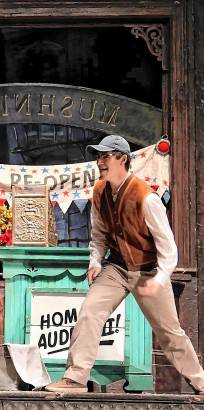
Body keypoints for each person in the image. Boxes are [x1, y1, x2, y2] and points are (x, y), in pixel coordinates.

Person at [45, 135, 204, 394]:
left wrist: (160, 279)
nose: (100, 162)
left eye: (105, 156)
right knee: (89, 312)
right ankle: (75, 379)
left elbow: (168, 248)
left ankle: (200, 382)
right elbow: (98, 234)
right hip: (116, 267)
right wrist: (95, 261)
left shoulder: (146, 198)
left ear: (122, 159)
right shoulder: (99, 191)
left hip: (148, 270)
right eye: (98, 157)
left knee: (170, 333)